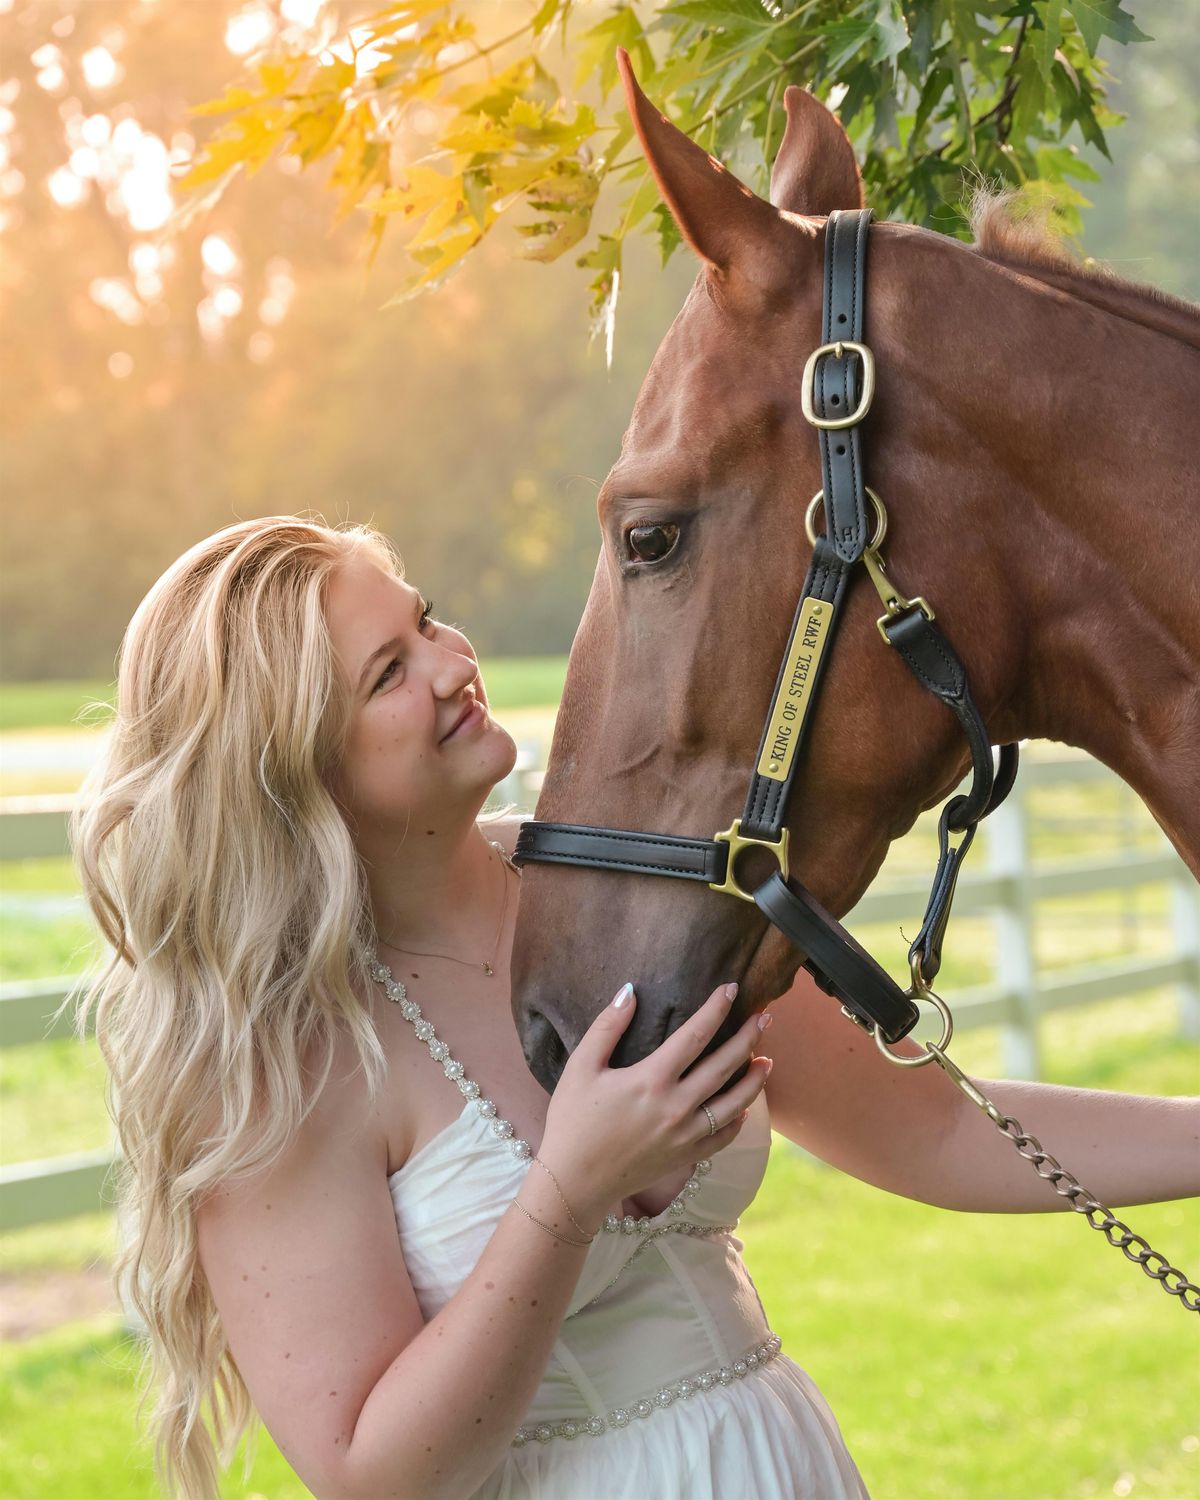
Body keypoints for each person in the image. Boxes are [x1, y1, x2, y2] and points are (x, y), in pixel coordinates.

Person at [70, 514, 870, 1500]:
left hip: (777, 1462)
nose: (453, 665)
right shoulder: (291, 1059)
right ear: (294, 768)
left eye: (428, 625)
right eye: (387, 674)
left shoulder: (618, 891)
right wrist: (570, 1192)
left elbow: (935, 1128)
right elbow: (369, 1475)